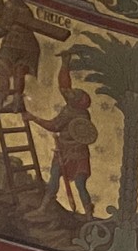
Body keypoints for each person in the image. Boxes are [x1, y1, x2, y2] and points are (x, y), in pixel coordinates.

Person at [30, 83, 96, 215]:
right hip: (69, 151)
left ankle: (88, 214)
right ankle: (44, 208)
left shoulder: (71, 112)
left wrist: (33, 118)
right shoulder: (83, 112)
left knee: (74, 182)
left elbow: (54, 126)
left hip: (72, 152)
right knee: (59, 179)